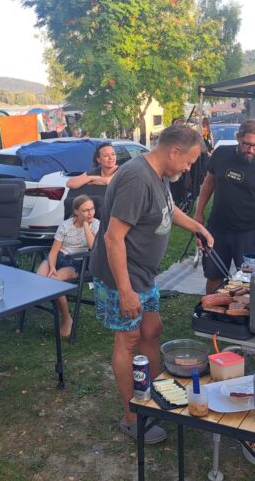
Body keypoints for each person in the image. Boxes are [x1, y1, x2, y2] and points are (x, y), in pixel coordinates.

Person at [90, 125, 214, 444]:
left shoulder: (159, 174)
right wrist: (126, 291)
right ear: (174, 152)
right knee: (128, 339)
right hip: (122, 277)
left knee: (151, 330)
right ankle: (132, 416)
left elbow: (167, 210)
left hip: (143, 274)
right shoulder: (136, 178)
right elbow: (112, 238)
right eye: (188, 162)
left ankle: (155, 397)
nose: (189, 169)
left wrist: (197, 227)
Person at [194, 119, 255, 294]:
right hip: (217, 230)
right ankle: (211, 309)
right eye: (246, 144)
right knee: (213, 275)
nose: (251, 150)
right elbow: (208, 184)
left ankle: (245, 311)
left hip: (249, 233)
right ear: (238, 138)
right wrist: (199, 213)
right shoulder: (220, 154)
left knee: (249, 280)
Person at [36, 195, 99, 338]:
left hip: (75, 262)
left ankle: (66, 318)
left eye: (92, 209)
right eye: (85, 210)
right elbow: (54, 251)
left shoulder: (95, 224)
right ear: (76, 212)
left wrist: (86, 225)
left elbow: (92, 247)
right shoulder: (65, 225)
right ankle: (21, 309)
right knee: (38, 281)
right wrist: (52, 266)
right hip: (58, 257)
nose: (90, 213)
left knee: (53, 283)